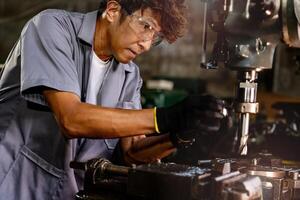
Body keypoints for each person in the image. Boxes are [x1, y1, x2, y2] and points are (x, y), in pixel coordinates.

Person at [0, 0, 226, 199]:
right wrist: (165, 117)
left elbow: (131, 151)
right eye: (146, 26)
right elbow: (71, 118)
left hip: (70, 192)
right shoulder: (51, 27)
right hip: (13, 186)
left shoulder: (130, 75)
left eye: (155, 37)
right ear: (113, 9)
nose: (146, 45)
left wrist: (178, 135)